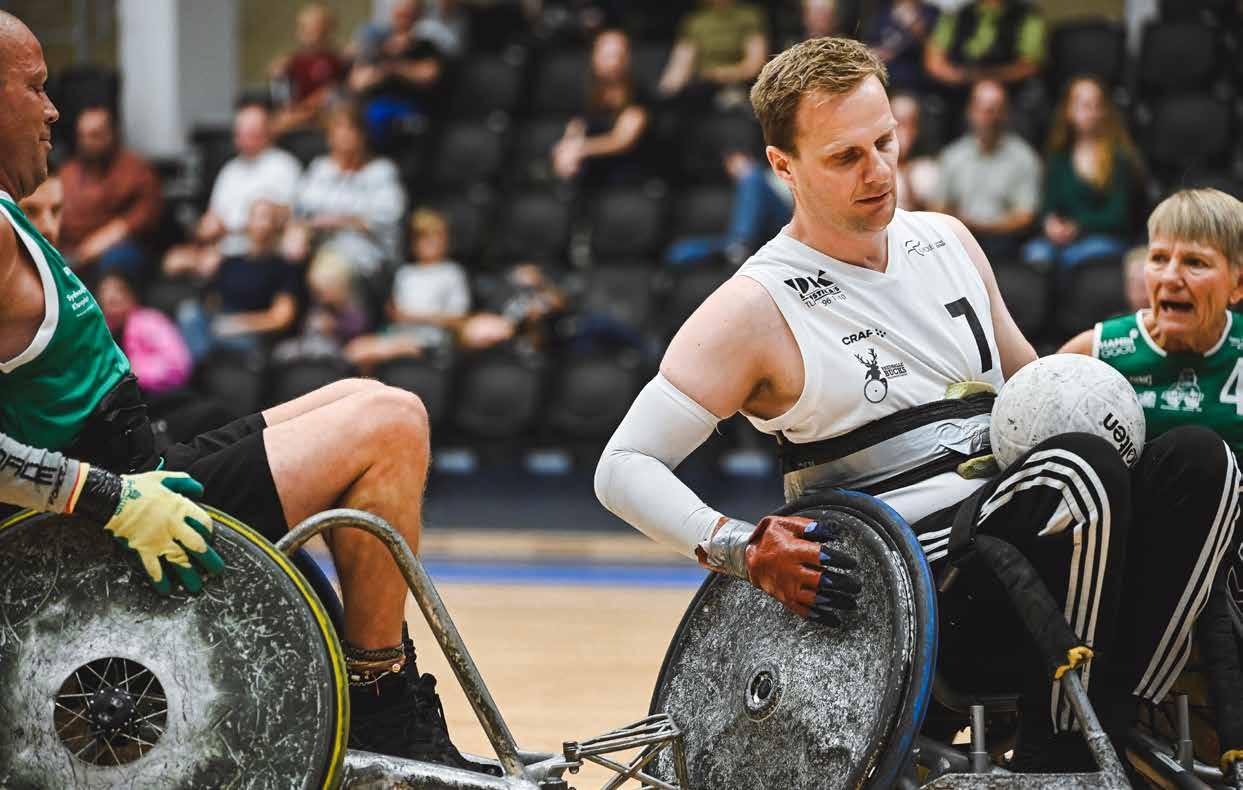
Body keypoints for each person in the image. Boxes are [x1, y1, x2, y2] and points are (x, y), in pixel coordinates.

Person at [595, 36, 1240, 772]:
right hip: (918, 601)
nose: (877, 171)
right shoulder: (753, 307)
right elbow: (623, 465)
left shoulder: (949, 240)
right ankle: (1059, 754)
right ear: (783, 166)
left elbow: (1042, 393)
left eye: (885, 142)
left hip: (1038, 549)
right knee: (1078, 473)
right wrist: (740, 548)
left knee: (1202, 462)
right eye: (845, 157)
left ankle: (1116, 713)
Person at [0, 12, 484, 770]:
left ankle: (373, 694)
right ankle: (382, 716)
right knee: (391, 426)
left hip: (143, 478)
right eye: (36, 87)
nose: (53, 109)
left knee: (361, 394)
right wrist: (107, 498)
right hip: (104, 529)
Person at [1060, 187, 1243, 773]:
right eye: (1159, 258)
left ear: (1237, 284)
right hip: (1129, 554)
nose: (1171, 276)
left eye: (1195, 262)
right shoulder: (1099, 350)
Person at [163, 102, 303, 277]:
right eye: (239, 133)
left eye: (250, 133)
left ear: (266, 132)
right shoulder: (230, 170)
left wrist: (238, 227)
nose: (242, 139)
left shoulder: (284, 166)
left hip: (262, 248)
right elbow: (213, 216)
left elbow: (288, 215)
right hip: (224, 245)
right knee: (173, 261)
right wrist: (207, 228)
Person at [1022, 76, 1142, 271]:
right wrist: (1050, 225)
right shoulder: (1059, 158)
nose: (1090, 111)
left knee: (1073, 257)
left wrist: (1078, 226)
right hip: (1064, 238)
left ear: (1104, 110)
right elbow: (1048, 207)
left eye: (1095, 104)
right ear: (1068, 110)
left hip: (1104, 237)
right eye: (1083, 105)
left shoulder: (1119, 157)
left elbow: (1119, 217)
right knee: (1035, 253)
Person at [291, 103, 406, 282]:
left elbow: (385, 220)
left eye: (351, 128)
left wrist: (337, 221)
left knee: (327, 274)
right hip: (320, 247)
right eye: (338, 128)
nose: (344, 135)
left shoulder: (381, 171)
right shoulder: (320, 168)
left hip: (366, 255)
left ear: (363, 135)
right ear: (329, 136)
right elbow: (301, 211)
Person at [346, 208, 470, 373]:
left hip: (430, 341)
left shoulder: (451, 273)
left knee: (370, 354)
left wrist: (415, 317)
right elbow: (395, 313)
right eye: (423, 237)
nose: (429, 243)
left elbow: (459, 319)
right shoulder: (405, 273)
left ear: (445, 240)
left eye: (435, 237)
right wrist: (394, 314)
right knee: (355, 349)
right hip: (399, 335)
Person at [178, 198, 302, 360]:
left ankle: (202, 364)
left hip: (252, 335)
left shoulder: (285, 268)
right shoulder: (230, 263)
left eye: (268, 217)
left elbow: (281, 318)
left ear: (277, 225)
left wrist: (238, 324)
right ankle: (202, 365)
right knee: (189, 312)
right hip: (220, 324)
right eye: (256, 217)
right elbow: (212, 303)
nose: (262, 224)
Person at [933, 79, 1040, 261]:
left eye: (994, 109)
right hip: (960, 242)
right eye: (981, 108)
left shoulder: (1024, 157)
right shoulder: (952, 156)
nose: (988, 117)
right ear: (970, 111)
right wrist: (962, 225)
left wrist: (984, 227)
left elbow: (1026, 216)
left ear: (1006, 113)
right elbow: (937, 208)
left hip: (1006, 244)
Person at [58, 106, 163, 280]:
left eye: (95, 135)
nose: (87, 142)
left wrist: (89, 249)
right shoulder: (66, 173)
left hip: (117, 251)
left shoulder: (137, 172)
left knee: (117, 261)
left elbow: (140, 218)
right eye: (82, 136)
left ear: (112, 134)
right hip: (69, 251)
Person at [550, 29, 649, 189]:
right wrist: (565, 152)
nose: (612, 62)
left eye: (617, 55)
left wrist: (581, 149)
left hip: (627, 179)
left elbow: (622, 140)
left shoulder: (639, 95)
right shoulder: (587, 93)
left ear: (627, 59)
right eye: (606, 55)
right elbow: (576, 127)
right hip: (592, 178)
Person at [664, 145, 793, 267]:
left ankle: (739, 245)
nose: (732, 168)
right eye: (729, 165)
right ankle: (735, 247)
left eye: (735, 161)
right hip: (749, 238)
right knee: (678, 252)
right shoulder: (739, 191)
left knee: (752, 178)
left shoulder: (764, 175)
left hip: (786, 222)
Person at [348, 0, 448, 145]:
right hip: (376, 107)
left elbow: (429, 75)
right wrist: (382, 72)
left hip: (411, 107)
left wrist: (397, 68)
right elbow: (357, 82)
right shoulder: (376, 45)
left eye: (410, 13)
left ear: (418, 16)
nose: (405, 17)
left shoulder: (426, 46)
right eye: (401, 13)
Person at [657, 0, 769, 112]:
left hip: (740, 85)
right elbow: (681, 65)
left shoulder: (748, 16)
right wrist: (666, 94)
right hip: (703, 87)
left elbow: (754, 64)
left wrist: (721, 75)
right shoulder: (695, 21)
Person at [269, 3, 347, 136]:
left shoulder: (334, 60)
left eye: (313, 28)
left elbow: (330, 93)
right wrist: (276, 75)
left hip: (322, 116)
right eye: (303, 28)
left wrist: (300, 112)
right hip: (296, 115)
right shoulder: (293, 61)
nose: (306, 33)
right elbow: (282, 95)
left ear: (326, 31)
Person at [860, 0, 937, 94]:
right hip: (875, 75)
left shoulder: (930, 13)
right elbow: (868, 42)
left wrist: (920, 32)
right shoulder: (881, 9)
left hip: (907, 82)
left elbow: (934, 57)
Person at [890, 92, 940, 211]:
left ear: (917, 128)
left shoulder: (928, 168)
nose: (902, 131)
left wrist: (905, 172)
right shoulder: (874, 164)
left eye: (908, 123)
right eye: (896, 122)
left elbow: (931, 212)